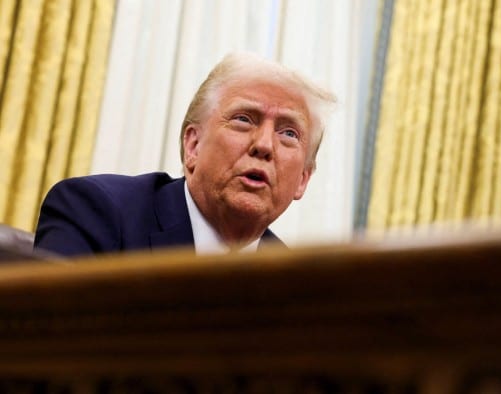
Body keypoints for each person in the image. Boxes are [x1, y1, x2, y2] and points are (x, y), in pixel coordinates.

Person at [34, 53, 336, 256]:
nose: (265, 145)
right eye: (244, 119)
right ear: (193, 145)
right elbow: (46, 346)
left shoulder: (296, 283)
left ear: (303, 180)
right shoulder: (96, 212)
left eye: (288, 133)